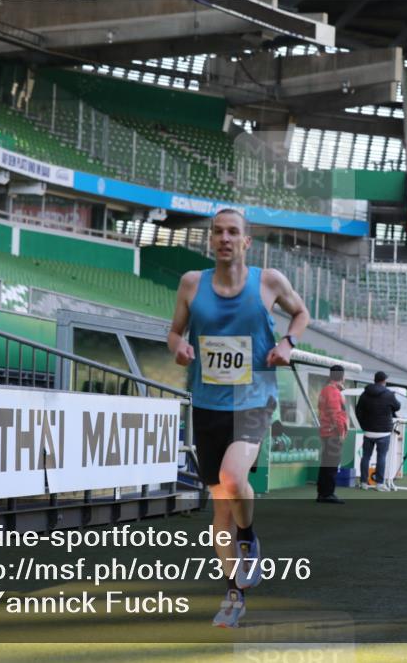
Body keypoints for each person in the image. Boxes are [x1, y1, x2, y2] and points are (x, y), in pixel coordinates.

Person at [168, 208, 309, 628]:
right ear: (210, 240)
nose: (225, 238)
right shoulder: (191, 284)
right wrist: (179, 347)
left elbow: (301, 313)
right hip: (208, 404)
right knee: (220, 509)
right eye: (218, 232)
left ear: (247, 242)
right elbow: (174, 331)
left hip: (254, 399)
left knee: (233, 478)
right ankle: (234, 594)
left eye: (233, 232)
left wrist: (287, 343)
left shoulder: (269, 282)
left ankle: (248, 538)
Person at [355, 371, 400, 491]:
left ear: (374, 380)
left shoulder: (365, 394)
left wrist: (363, 425)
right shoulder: (389, 394)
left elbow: (358, 410)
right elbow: (397, 407)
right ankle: (379, 484)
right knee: (381, 457)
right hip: (384, 432)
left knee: (366, 456)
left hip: (368, 431)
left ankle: (363, 483)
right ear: (384, 381)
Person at [316, 364, 348, 504]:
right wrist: (341, 432)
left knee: (326, 463)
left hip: (325, 431)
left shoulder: (325, 390)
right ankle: (328, 493)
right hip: (333, 432)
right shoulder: (334, 392)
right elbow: (336, 415)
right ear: (342, 377)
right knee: (332, 464)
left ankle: (322, 493)